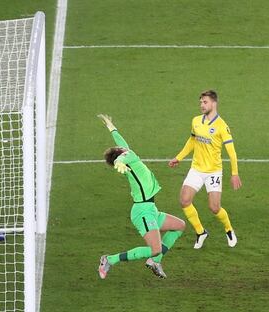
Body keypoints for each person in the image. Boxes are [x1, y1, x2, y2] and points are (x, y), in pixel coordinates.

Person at [96, 114, 186, 280]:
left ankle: (155, 261)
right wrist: (118, 162)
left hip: (150, 209)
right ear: (120, 152)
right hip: (142, 211)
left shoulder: (128, 152)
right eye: (120, 149)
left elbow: (120, 142)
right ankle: (109, 259)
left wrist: (111, 127)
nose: (123, 147)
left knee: (179, 226)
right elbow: (120, 158)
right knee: (155, 248)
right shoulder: (128, 157)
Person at [169, 90, 242, 249]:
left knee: (214, 208)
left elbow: (232, 152)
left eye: (205, 102)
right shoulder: (196, 121)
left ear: (214, 103)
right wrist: (179, 157)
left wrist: (234, 174)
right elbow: (192, 140)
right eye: (201, 102)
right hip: (196, 169)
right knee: (184, 200)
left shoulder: (222, 126)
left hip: (213, 172)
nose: (201, 105)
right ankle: (201, 232)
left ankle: (229, 229)